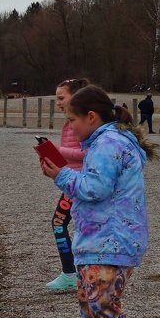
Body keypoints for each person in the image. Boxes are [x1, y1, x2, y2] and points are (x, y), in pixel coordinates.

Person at [39, 85, 158, 318]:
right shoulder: (103, 143)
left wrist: (60, 175)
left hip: (113, 240)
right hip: (97, 238)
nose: (70, 127)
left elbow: (95, 189)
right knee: (88, 302)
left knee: (103, 303)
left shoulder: (108, 145)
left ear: (91, 117)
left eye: (72, 120)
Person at [45, 78, 91, 291]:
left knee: (60, 223)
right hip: (70, 180)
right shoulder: (72, 121)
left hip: (79, 182)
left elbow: (88, 154)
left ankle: (71, 273)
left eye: (61, 98)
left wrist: (57, 151)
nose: (58, 103)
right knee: (65, 224)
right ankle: (73, 272)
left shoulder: (83, 122)